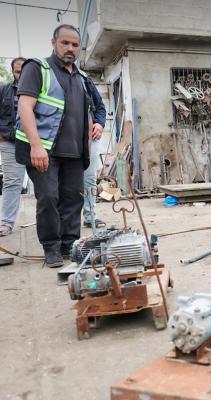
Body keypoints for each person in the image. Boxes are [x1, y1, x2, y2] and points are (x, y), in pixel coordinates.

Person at [15, 24, 105, 267]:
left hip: (75, 152)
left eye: (75, 45)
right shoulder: (37, 68)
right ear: (53, 42)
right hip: (46, 151)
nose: (70, 48)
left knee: (73, 199)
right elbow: (25, 106)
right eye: (65, 43)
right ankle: (52, 248)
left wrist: (99, 123)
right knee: (48, 198)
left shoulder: (82, 77)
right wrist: (35, 146)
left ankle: (69, 244)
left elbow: (96, 108)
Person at [0, 57, 26, 236]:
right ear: (13, 72)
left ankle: (50, 222)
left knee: (47, 184)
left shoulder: (40, 91)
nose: (22, 75)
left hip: (37, 143)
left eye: (25, 71)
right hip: (11, 142)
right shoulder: (3, 90)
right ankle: (6, 223)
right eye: (18, 71)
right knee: (12, 182)